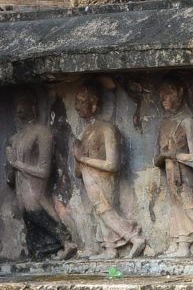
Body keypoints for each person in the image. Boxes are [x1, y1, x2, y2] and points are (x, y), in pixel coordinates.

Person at [72, 81, 146, 258]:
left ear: (94, 101)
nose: (77, 106)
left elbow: (112, 164)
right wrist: (79, 160)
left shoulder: (107, 129)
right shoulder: (84, 133)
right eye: (77, 101)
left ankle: (134, 236)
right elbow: (78, 169)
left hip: (104, 178)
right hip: (90, 179)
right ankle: (110, 248)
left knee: (105, 211)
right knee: (100, 213)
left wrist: (83, 158)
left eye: (82, 101)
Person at [5, 90, 76, 259]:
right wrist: (11, 169)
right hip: (21, 190)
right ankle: (43, 252)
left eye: (23, 103)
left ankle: (67, 242)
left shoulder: (42, 132)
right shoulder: (14, 138)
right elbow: (11, 177)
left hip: (35, 188)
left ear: (33, 105)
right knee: (28, 218)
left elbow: (44, 171)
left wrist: (18, 164)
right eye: (16, 105)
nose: (19, 108)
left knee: (36, 210)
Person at [154, 75, 193, 258]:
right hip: (170, 172)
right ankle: (183, 246)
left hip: (185, 172)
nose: (163, 99)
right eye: (161, 95)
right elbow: (157, 160)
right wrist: (164, 156)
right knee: (176, 208)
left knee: (188, 204)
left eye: (168, 94)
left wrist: (174, 155)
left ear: (180, 94)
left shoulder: (188, 122)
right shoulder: (163, 124)